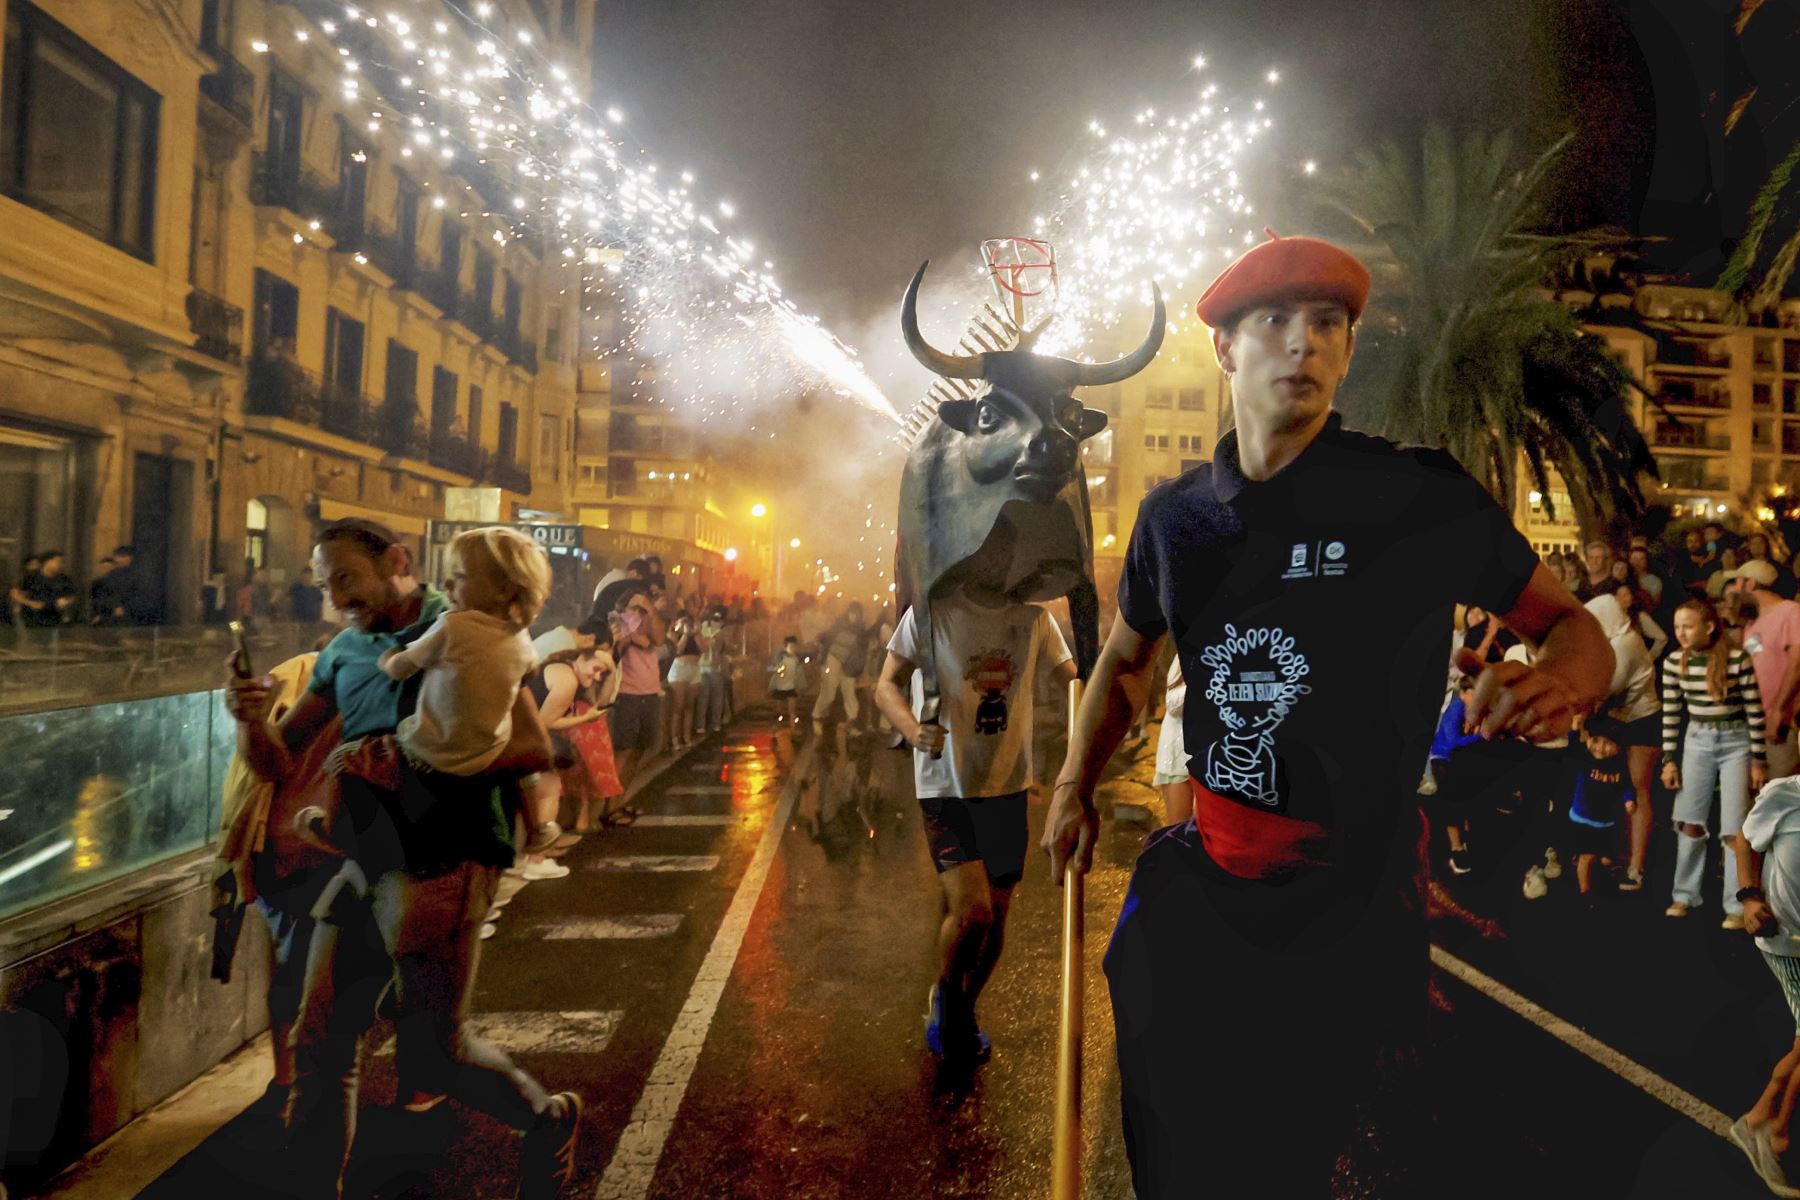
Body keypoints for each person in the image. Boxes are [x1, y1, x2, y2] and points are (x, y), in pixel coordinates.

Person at [1043, 230, 1612, 1197]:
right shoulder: (1175, 519)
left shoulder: (1415, 497)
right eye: (1273, 321)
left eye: (1327, 323)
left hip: (1355, 900)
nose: (1302, 343)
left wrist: (1565, 677)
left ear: (1348, 349)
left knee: (1306, 1148)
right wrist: (1072, 787)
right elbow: (1127, 662)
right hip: (1212, 881)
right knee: (1173, 1128)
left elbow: (1570, 626)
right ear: (1225, 348)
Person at [221, 518, 581, 1200]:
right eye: (325, 585)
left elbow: (534, 749)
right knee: (321, 1037)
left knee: (432, 1056)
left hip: (446, 857)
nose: (337, 597)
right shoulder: (343, 651)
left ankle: (548, 1116)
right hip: (362, 855)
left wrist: (413, 769)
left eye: (347, 579)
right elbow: (277, 761)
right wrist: (248, 719)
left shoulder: (467, 621)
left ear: (397, 561)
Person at [875, 588, 1077, 1063]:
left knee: (999, 918)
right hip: (944, 783)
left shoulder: (1035, 621)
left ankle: (965, 1007)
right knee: (974, 912)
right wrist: (911, 729)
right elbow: (886, 684)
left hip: (1007, 785)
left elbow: (1077, 679)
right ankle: (944, 997)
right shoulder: (929, 615)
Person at [378, 526, 560, 861]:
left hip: (429, 750)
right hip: (486, 753)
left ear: (503, 590)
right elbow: (529, 672)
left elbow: (404, 666)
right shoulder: (520, 637)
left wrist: (387, 657)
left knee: (369, 752)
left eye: (458, 577)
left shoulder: (452, 625)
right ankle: (538, 828)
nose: (446, 586)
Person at [1661, 596, 1768, 924]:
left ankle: (1737, 905)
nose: (1681, 632)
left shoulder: (1737, 659)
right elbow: (1671, 713)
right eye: (1677, 626)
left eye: (1688, 626)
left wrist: (1757, 760)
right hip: (1697, 741)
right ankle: (1684, 894)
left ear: (1708, 627)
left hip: (1735, 741)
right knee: (1690, 819)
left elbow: (1754, 712)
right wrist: (1669, 759)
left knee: (1734, 827)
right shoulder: (1673, 662)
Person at [1729, 775, 1800, 1195]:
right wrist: (1750, 897)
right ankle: (1775, 1132)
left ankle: (1760, 1121)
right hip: (1785, 942)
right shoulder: (1785, 794)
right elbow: (1743, 840)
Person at [1586, 592, 1663, 892]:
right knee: (1620, 790)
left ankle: (1637, 867)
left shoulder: (1624, 644)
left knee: (1638, 792)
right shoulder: (1615, 640)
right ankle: (1620, 854)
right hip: (1622, 720)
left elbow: (1605, 690)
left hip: (1643, 722)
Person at [1724, 558, 1800, 782]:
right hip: (1753, 723)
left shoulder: (1791, 611)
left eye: (1737, 584)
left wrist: (1778, 711)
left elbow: (1797, 664)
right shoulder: (1751, 622)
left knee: (1779, 792)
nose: (1732, 591)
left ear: (1751, 584)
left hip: (1779, 723)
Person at [608, 583, 664, 797]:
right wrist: (629, 638)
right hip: (628, 693)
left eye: (642, 607)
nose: (638, 612)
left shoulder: (650, 620)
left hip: (650, 692)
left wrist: (649, 611)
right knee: (624, 750)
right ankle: (609, 805)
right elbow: (616, 650)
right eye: (634, 607)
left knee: (641, 749)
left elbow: (657, 639)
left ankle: (618, 800)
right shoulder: (617, 620)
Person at [1426, 675, 1486, 875]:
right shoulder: (1455, 708)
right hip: (1441, 759)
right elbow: (1452, 742)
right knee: (1452, 806)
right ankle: (1456, 849)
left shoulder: (1469, 708)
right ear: (1464, 693)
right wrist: (1480, 736)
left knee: (1461, 801)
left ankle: (1464, 841)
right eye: (1475, 694)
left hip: (1453, 760)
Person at [1567, 722, 1631, 903]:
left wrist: (1629, 800)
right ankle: (1585, 893)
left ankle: (1590, 870)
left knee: (1604, 859)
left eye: (1607, 743)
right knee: (1588, 857)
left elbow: (1626, 785)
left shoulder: (1620, 766)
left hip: (1605, 822)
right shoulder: (1585, 758)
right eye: (1595, 741)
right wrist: (1575, 729)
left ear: (1618, 746)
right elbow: (1572, 747)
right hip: (1582, 819)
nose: (1600, 748)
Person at [812, 602, 871, 751]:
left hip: (849, 664)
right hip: (833, 659)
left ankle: (850, 724)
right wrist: (822, 661)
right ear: (848, 613)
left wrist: (858, 670)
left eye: (857, 613)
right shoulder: (838, 625)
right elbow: (826, 640)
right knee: (829, 692)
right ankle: (817, 717)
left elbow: (862, 651)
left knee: (850, 694)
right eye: (852, 612)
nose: (855, 616)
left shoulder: (861, 629)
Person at [1150, 658, 1193, 825]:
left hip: (1213, 758)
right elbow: (1172, 703)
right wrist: (1207, 682)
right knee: (1179, 829)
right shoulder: (1188, 650)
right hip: (1178, 757)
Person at [17, 551, 75, 631]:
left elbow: (71, 595)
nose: (60, 565)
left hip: (54, 616)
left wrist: (66, 602)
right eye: (57, 562)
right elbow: (15, 593)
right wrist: (30, 603)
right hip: (32, 617)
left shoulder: (64, 578)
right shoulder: (31, 577)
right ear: (47, 562)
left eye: (62, 562)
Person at [767, 635, 806, 729]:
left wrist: (800, 688)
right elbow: (769, 669)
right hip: (780, 688)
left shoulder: (796, 661)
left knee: (792, 710)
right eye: (791, 647)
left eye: (794, 647)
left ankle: (793, 728)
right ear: (785, 648)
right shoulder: (780, 659)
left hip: (791, 688)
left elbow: (800, 676)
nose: (793, 649)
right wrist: (777, 669)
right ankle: (778, 727)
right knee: (779, 710)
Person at [1674, 527, 1718, 599]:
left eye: (1696, 541)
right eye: (1689, 541)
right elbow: (1678, 584)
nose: (1692, 544)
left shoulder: (1712, 562)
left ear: (1702, 542)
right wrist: (1698, 584)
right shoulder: (1683, 562)